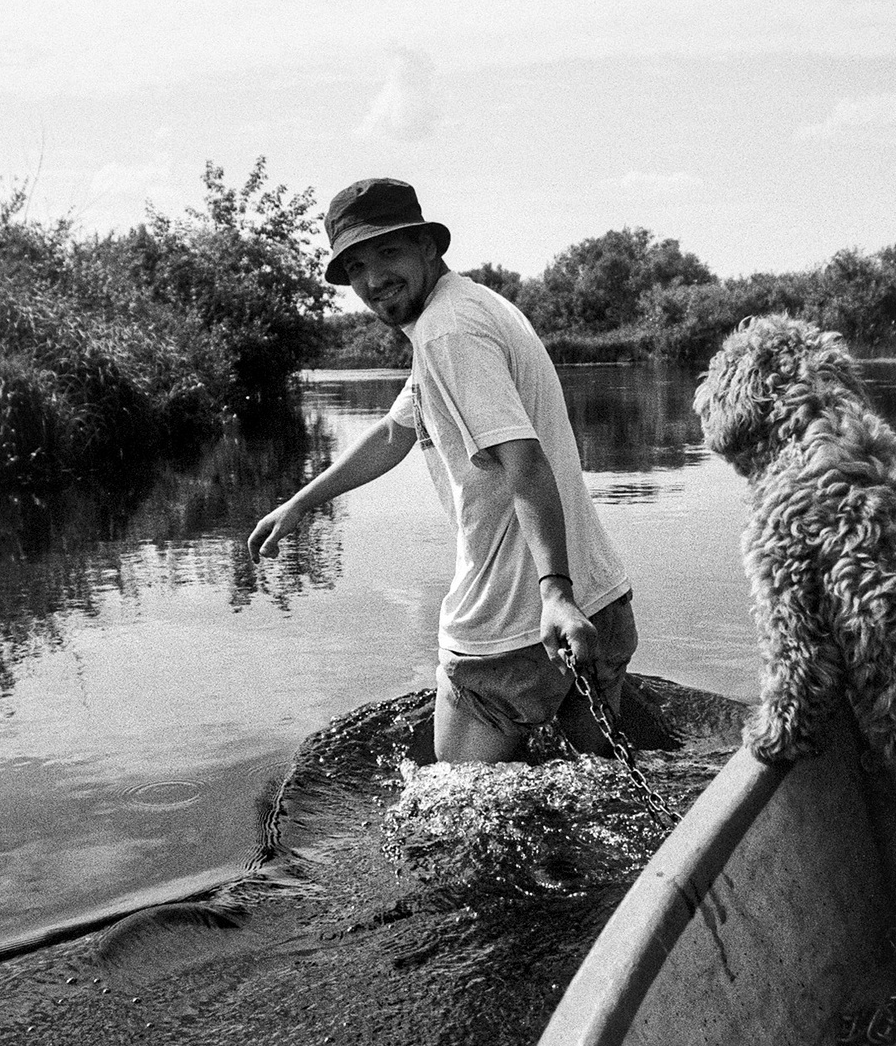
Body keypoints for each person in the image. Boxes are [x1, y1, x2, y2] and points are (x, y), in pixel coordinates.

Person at [248, 177, 638, 763]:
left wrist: (553, 594)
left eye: (387, 252)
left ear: (428, 247)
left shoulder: (447, 332)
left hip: (512, 627)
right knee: (605, 794)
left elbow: (524, 464)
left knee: (448, 815)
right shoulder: (471, 310)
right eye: (355, 265)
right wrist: (300, 502)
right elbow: (391, 435)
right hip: (599, 604)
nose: (372, 278)